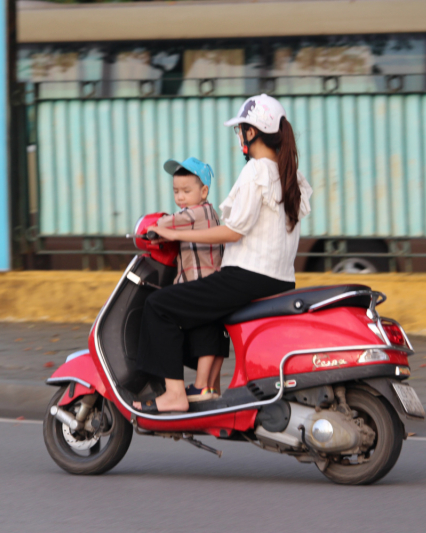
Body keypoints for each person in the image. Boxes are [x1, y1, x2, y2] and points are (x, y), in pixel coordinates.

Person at [132, 94, 313, 413]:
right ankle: (205, 388)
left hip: (248, 277)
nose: (240, 137)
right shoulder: (290, 176)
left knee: (159, 305)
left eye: (240, 130)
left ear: (251, 133)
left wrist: (173, 232)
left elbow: (234, 230)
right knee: (201, 305)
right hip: (280, 281)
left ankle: (174, 394)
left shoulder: (258, 171)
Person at [154, 157, 227, 402]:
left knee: (202, 334)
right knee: (214, 335)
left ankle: (199, 386)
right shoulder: (212, 213)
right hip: (215, 284)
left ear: (204, 191)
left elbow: (167, 222)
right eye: (176, 191)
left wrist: (153, 226)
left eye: (186, 191)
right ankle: (210, 387)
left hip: (198, 283)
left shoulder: (196, 213)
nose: (180, 197)